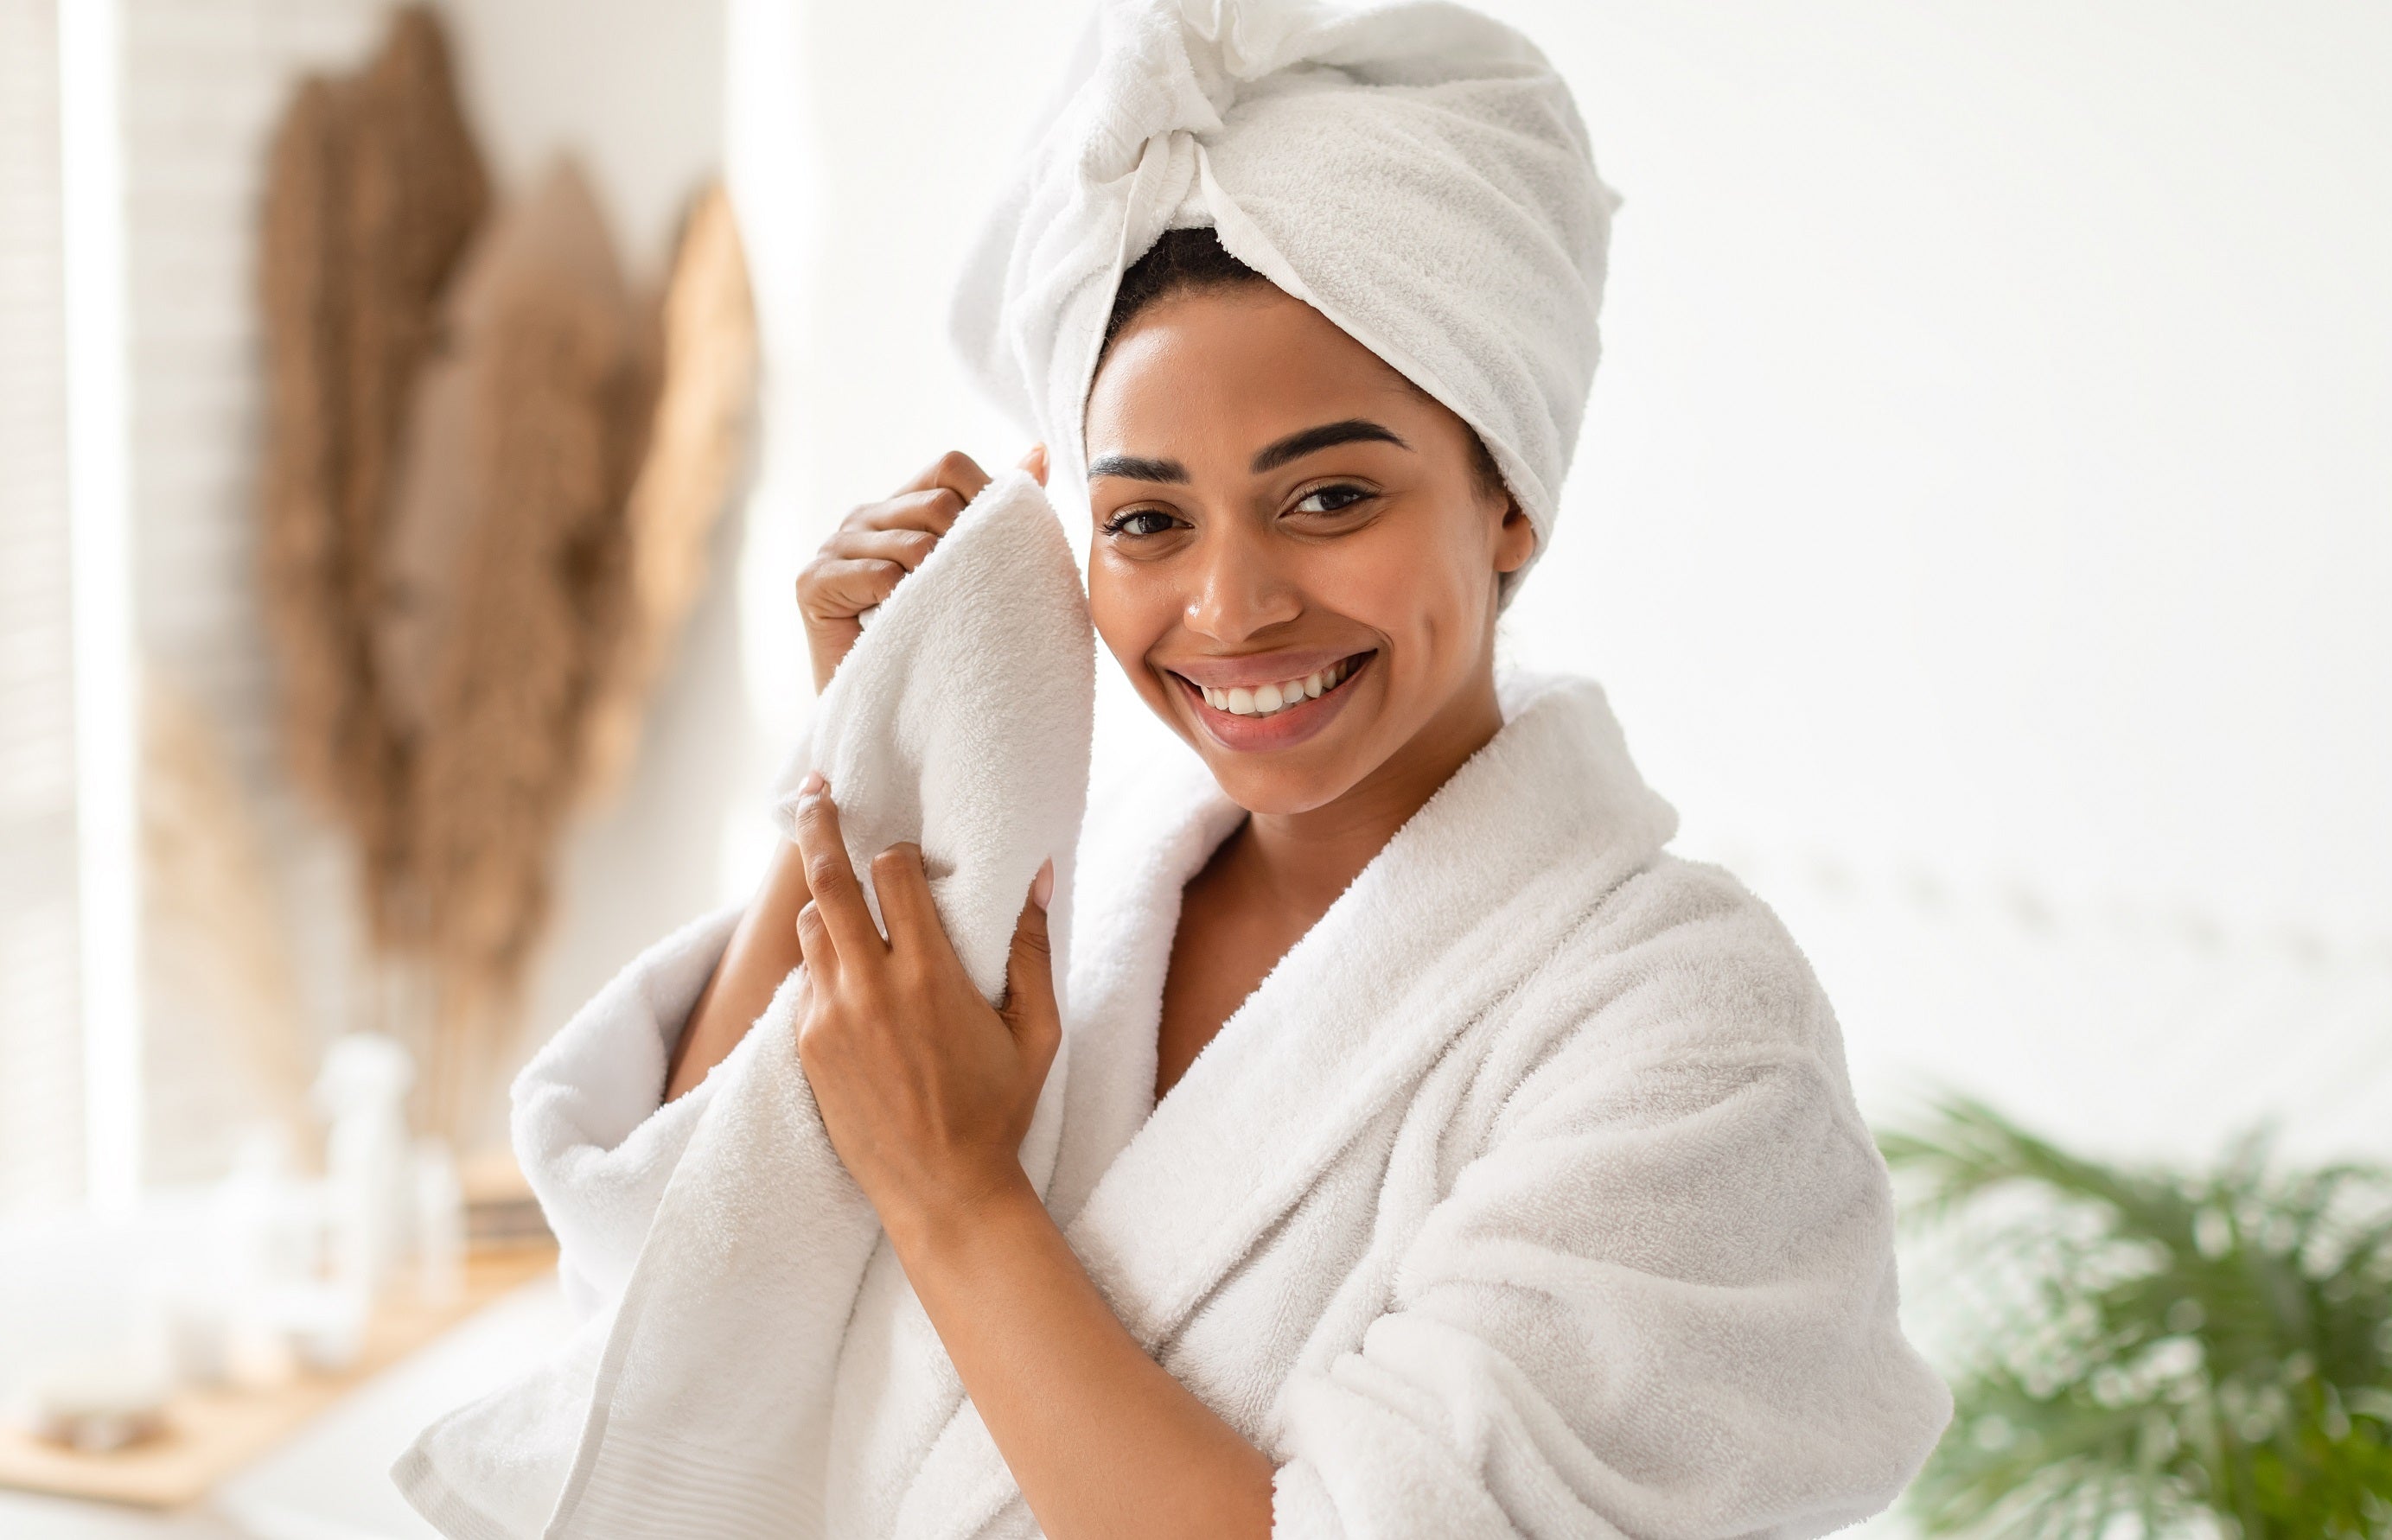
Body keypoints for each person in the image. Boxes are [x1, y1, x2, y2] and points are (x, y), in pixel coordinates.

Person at [453, 3, 1949, 1536]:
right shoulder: (1072, 876)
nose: (1232, 609)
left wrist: (961, 1198)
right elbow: (678, 1279)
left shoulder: (1686, 1037)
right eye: (1149, 521)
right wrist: (869, 750)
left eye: (1330, 495)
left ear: (1509, 499)